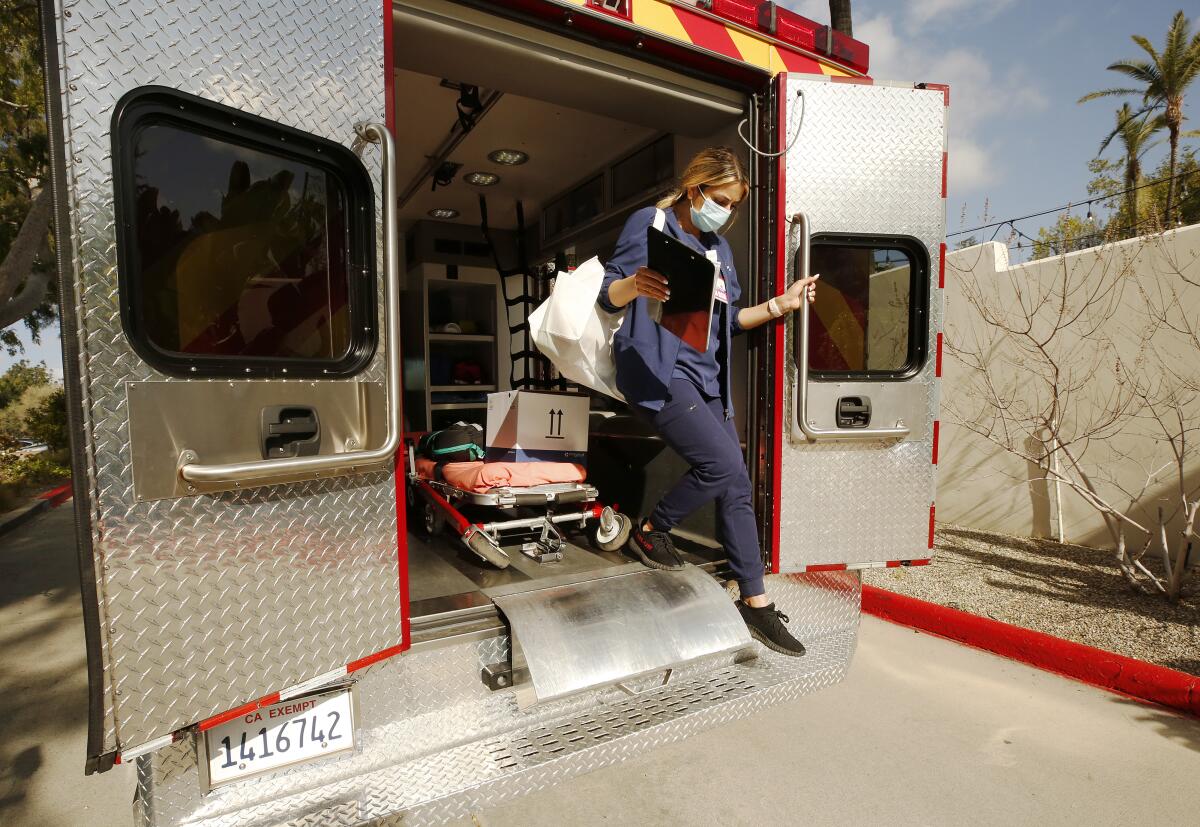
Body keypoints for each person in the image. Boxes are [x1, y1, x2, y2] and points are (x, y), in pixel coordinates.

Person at [597, 146, 818, 657]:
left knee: (736, 481)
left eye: (733, 204)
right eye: (719, 199)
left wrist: (780, 306)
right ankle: (652, 529)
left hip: (707, 381)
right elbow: (607, 295)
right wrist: (635, 285)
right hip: (659, 372)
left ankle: (756, 604)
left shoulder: (719, 250)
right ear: (694, 189)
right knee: (721, 464)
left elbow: (729, 320)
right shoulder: (649, 224)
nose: (725, 211)